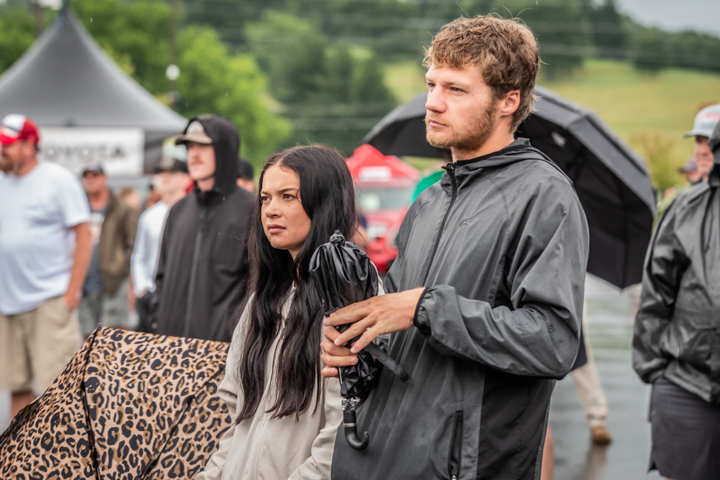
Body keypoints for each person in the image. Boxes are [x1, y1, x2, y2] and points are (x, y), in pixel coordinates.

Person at [321, 16, 589, 479]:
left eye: (456, 89)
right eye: (431, 84)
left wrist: (425, 308)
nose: (433, 102)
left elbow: (553, 341)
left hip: (464, 465)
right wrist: (356, 343)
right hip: (378, 455)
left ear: (509, 101)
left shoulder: (545, 195)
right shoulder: (428, 200)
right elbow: (397, 326)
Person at [196, 145, 353, 480]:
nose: (271, 210)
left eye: (288, 197)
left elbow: (341, 435)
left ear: (324, 202)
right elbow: (238, 423)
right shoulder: (263, 301)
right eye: (265, 198)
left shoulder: (350, 301)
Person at [632, 121, 720, 480]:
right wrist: (657, 370)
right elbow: (656, 292)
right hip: (687, 384)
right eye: (698, 141)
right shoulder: (686, 208)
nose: (702, 149)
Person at [0, 114, 92, 416]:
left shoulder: (57, 179)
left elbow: (83, 234)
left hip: (49, 299)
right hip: (7, 303)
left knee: (58, 388)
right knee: (16, 386)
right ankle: (18, 446)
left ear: (29, 146)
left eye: (7, 145)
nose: (1, 150)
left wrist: (72, 291)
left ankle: (62, 447)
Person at [152, 115, 255, 341]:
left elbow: (257, 285)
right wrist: (159, 319)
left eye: (203, 145)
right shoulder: (179, 210)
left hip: (222, 351)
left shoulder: (251, 209)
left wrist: (232, 331)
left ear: (224, 149)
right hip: (171, 348)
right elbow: (161, 276)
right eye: (190, 146)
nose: (194, 154)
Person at [131, 154, 190, 333]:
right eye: (162, 172)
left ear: (186, 178)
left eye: (172, 172)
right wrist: (142, 289)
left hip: (183, 296)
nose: (165, 177)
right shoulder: (149, 215)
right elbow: (139, 255)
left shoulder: (193, 213)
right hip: (152, 294)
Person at [78, 163, 139, 337]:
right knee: (86, 338)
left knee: (111, 337)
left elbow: (132, 243)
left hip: (112, 283)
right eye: (87, 176)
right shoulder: (79, 207)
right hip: (85, 284)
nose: (90, 180)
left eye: (95, 175)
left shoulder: (121, 208)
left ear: (105, 178)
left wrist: (119, 269)